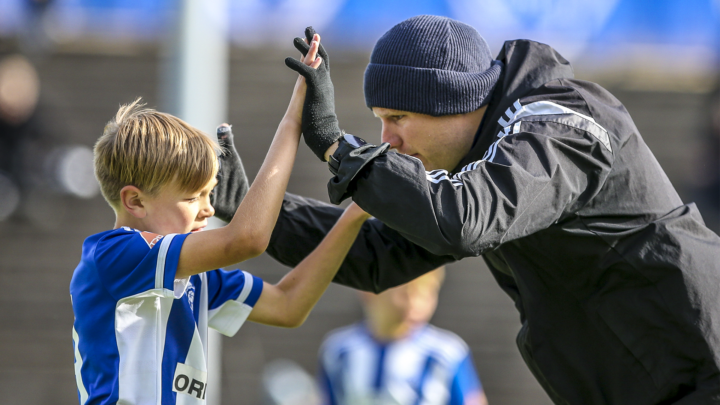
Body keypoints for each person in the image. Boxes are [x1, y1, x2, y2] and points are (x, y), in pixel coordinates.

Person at [213, 17, 720, 404]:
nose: (388, 139)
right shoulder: (478, 161)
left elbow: (463, 220)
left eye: (398, 117)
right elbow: (376, 255)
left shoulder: (562, 123)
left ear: (452, 99)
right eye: (379, 121)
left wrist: (336, 148)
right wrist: (252, 213)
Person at [70, 37, 371, 405]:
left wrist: (356, 213)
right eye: (192, 196)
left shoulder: (194, 277)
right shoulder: (114, 254)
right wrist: (295, 118)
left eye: (208, 194)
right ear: (135, 200)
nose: (208, 209)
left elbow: (289, 305)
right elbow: (246, 240)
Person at [318, 267, 488, 405]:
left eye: (428, 293)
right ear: (368, 291)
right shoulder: (338, 350)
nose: (417, 304)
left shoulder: (447, 353)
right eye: (406, 293)